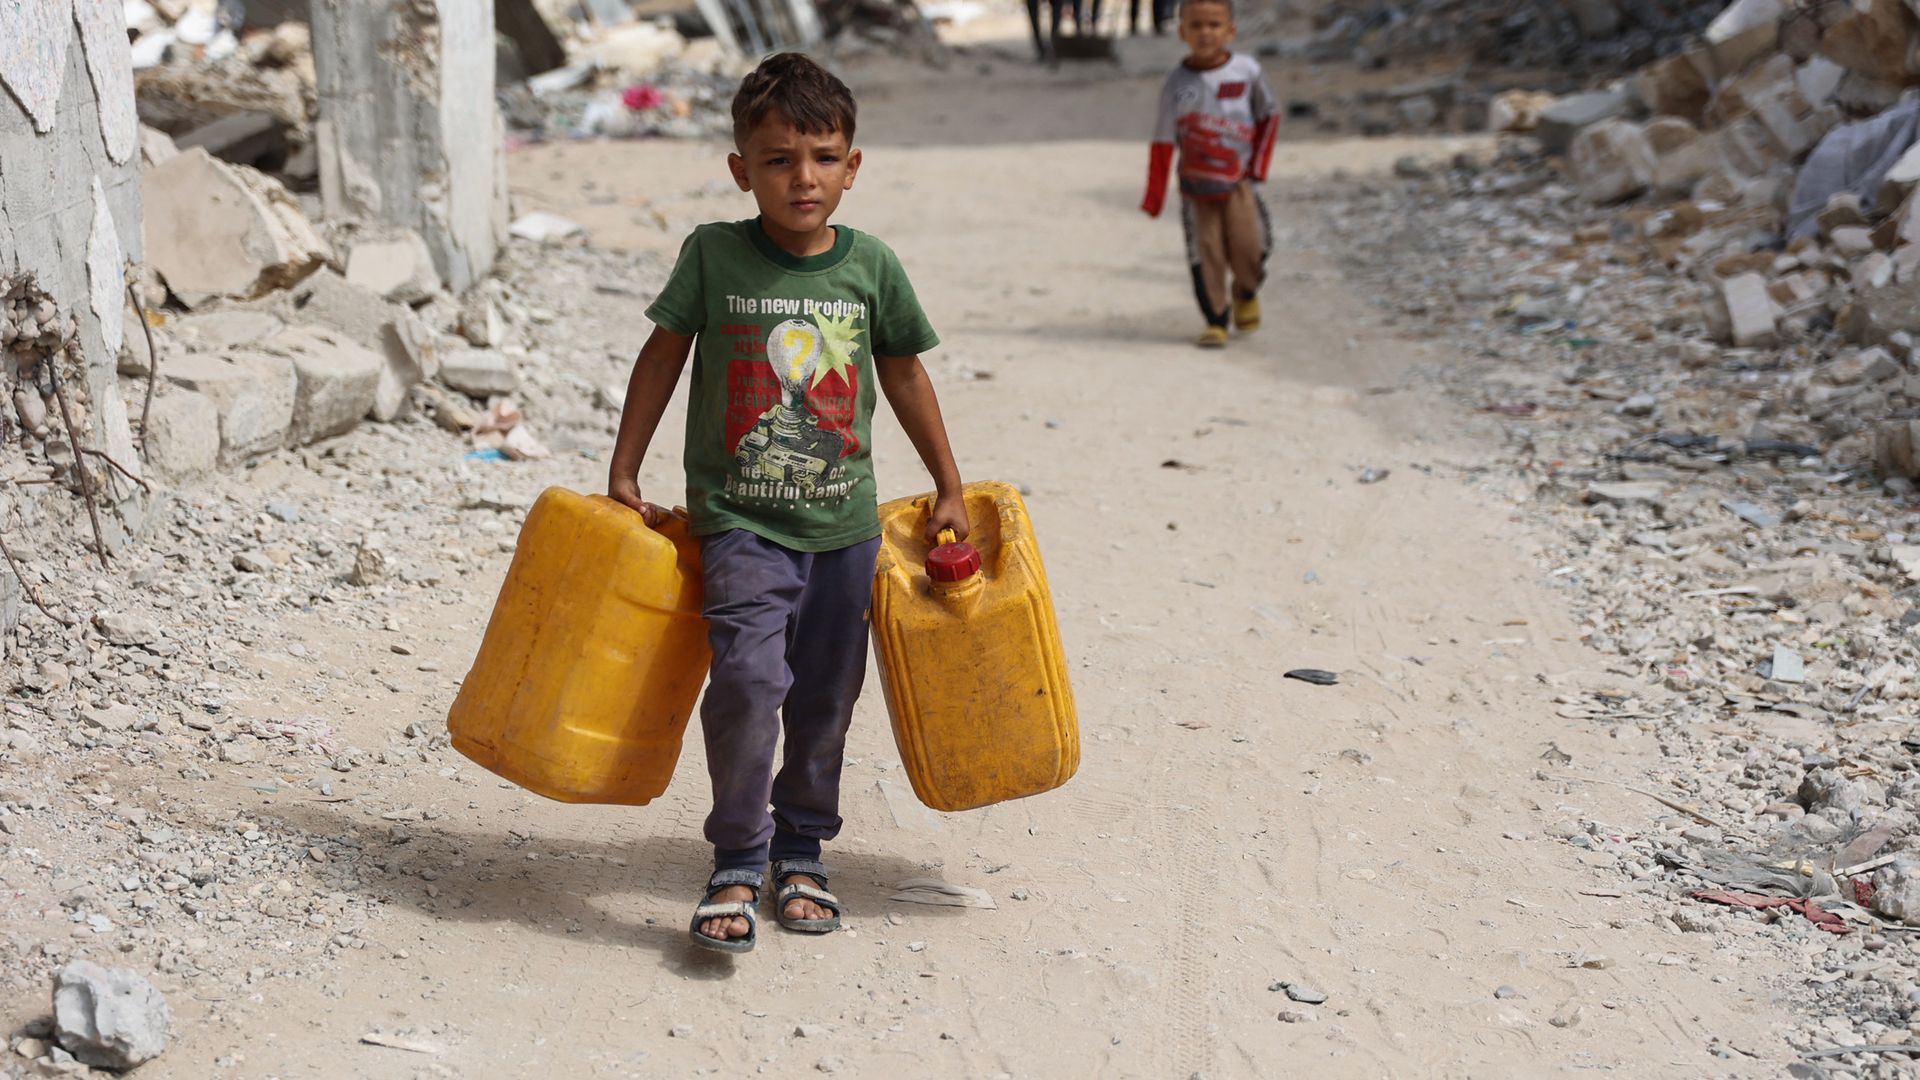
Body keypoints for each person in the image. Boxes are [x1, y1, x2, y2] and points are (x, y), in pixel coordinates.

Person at [607, 53, 969, 954]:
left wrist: (951, 485)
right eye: (777, 159)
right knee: (747, 681)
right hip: (741, 523)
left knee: (823, 700)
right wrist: (626, 468)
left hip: (845, 530)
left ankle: (801, 849)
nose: (800, 177)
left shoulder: (871, 267)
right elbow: (662, 357)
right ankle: (737, 856)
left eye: (821, 155)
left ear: (852, 166)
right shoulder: (714, 254)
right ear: (741, 170)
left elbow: (907, 373)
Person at [1139, 0, 1279, 348]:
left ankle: (1245, 291)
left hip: (1239, 181)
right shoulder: (1177, 83)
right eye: (1197, 25)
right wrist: (1155, 194)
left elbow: (1269, 115)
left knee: (1252, 245)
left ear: (1230, 31)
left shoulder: (1247, 72)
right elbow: (1162, 139)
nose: (1206, 33)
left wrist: (1258, 165)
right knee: (1206, 251)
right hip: (1196, 186)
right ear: (1182, 31)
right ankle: (1216, 318)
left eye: (1215, 25)